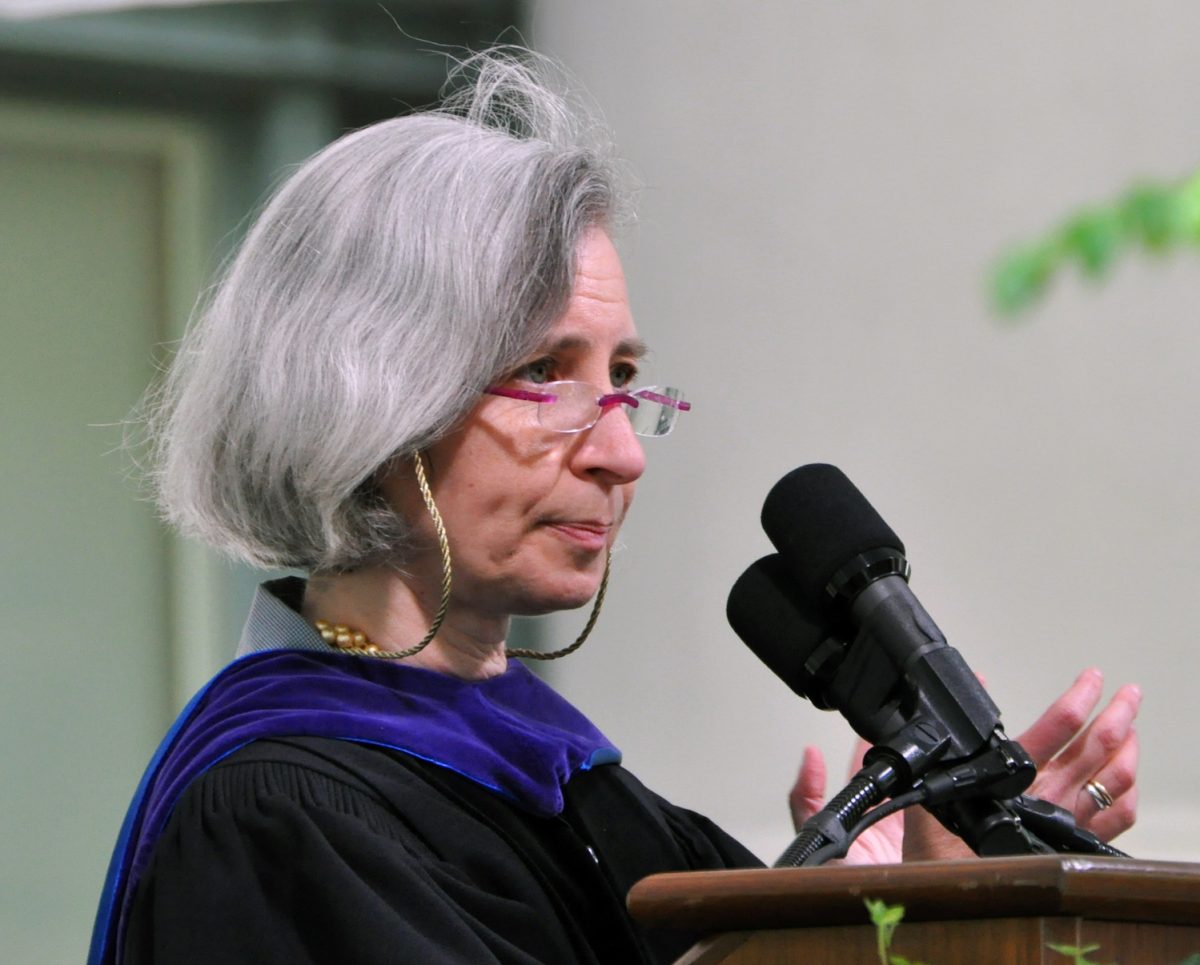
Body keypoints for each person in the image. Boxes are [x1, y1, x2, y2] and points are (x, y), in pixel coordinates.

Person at [89, 50, 1139, 965]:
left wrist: (882, 899)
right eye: (548, 371)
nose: (623, 452)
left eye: (627, 377)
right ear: (370, 393)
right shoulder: (285, 815)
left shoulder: (576, 789)